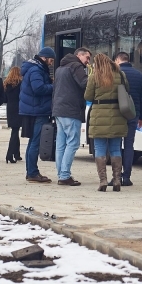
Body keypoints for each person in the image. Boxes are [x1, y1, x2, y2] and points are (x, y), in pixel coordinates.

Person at [84, 53, 129, 192]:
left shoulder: (94, 77)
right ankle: (116, 180)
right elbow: (127, 91)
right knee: (116, 148)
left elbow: (88, 96)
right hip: (117, 115)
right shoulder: (120, 75)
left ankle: (103, 181)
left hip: (99, 116)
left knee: (100, 148)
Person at [51, 47, 92, 186]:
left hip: (59, 110)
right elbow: (84, 83)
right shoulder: (76, 66)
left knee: (61, 144)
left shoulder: (60, 68)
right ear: (79, 55)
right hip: (71, 110)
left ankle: (61, 174)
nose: (88, 61)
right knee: (73, 143)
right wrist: (95, 77)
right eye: (87, 58)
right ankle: (64, 175)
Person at [20, 47, 55, 183]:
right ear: (44, 58)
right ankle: (32, 172)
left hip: (33, 109)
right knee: (35, 142)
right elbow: (38, 88)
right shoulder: (36, 70)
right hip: (38, 110)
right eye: (51, 60)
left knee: (32, 142)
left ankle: (31, 171)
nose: (51, 63)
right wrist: (54, 85)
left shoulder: (35, 68)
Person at [114, 51, 142, 187]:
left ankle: (116, 177)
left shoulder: (115, 74)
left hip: (117, 115)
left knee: (116, 145)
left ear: (117, 60)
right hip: (133, 115)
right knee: (129, 146)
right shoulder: (140, 76)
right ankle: (126, 177)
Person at [3, 66, 23, 164]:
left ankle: (16, 153)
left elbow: (4, 98)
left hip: (10, 108)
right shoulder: (21, 84)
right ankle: (9, 154)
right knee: (15, 132)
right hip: (19, 108)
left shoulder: (6, 84)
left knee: (15, 130)